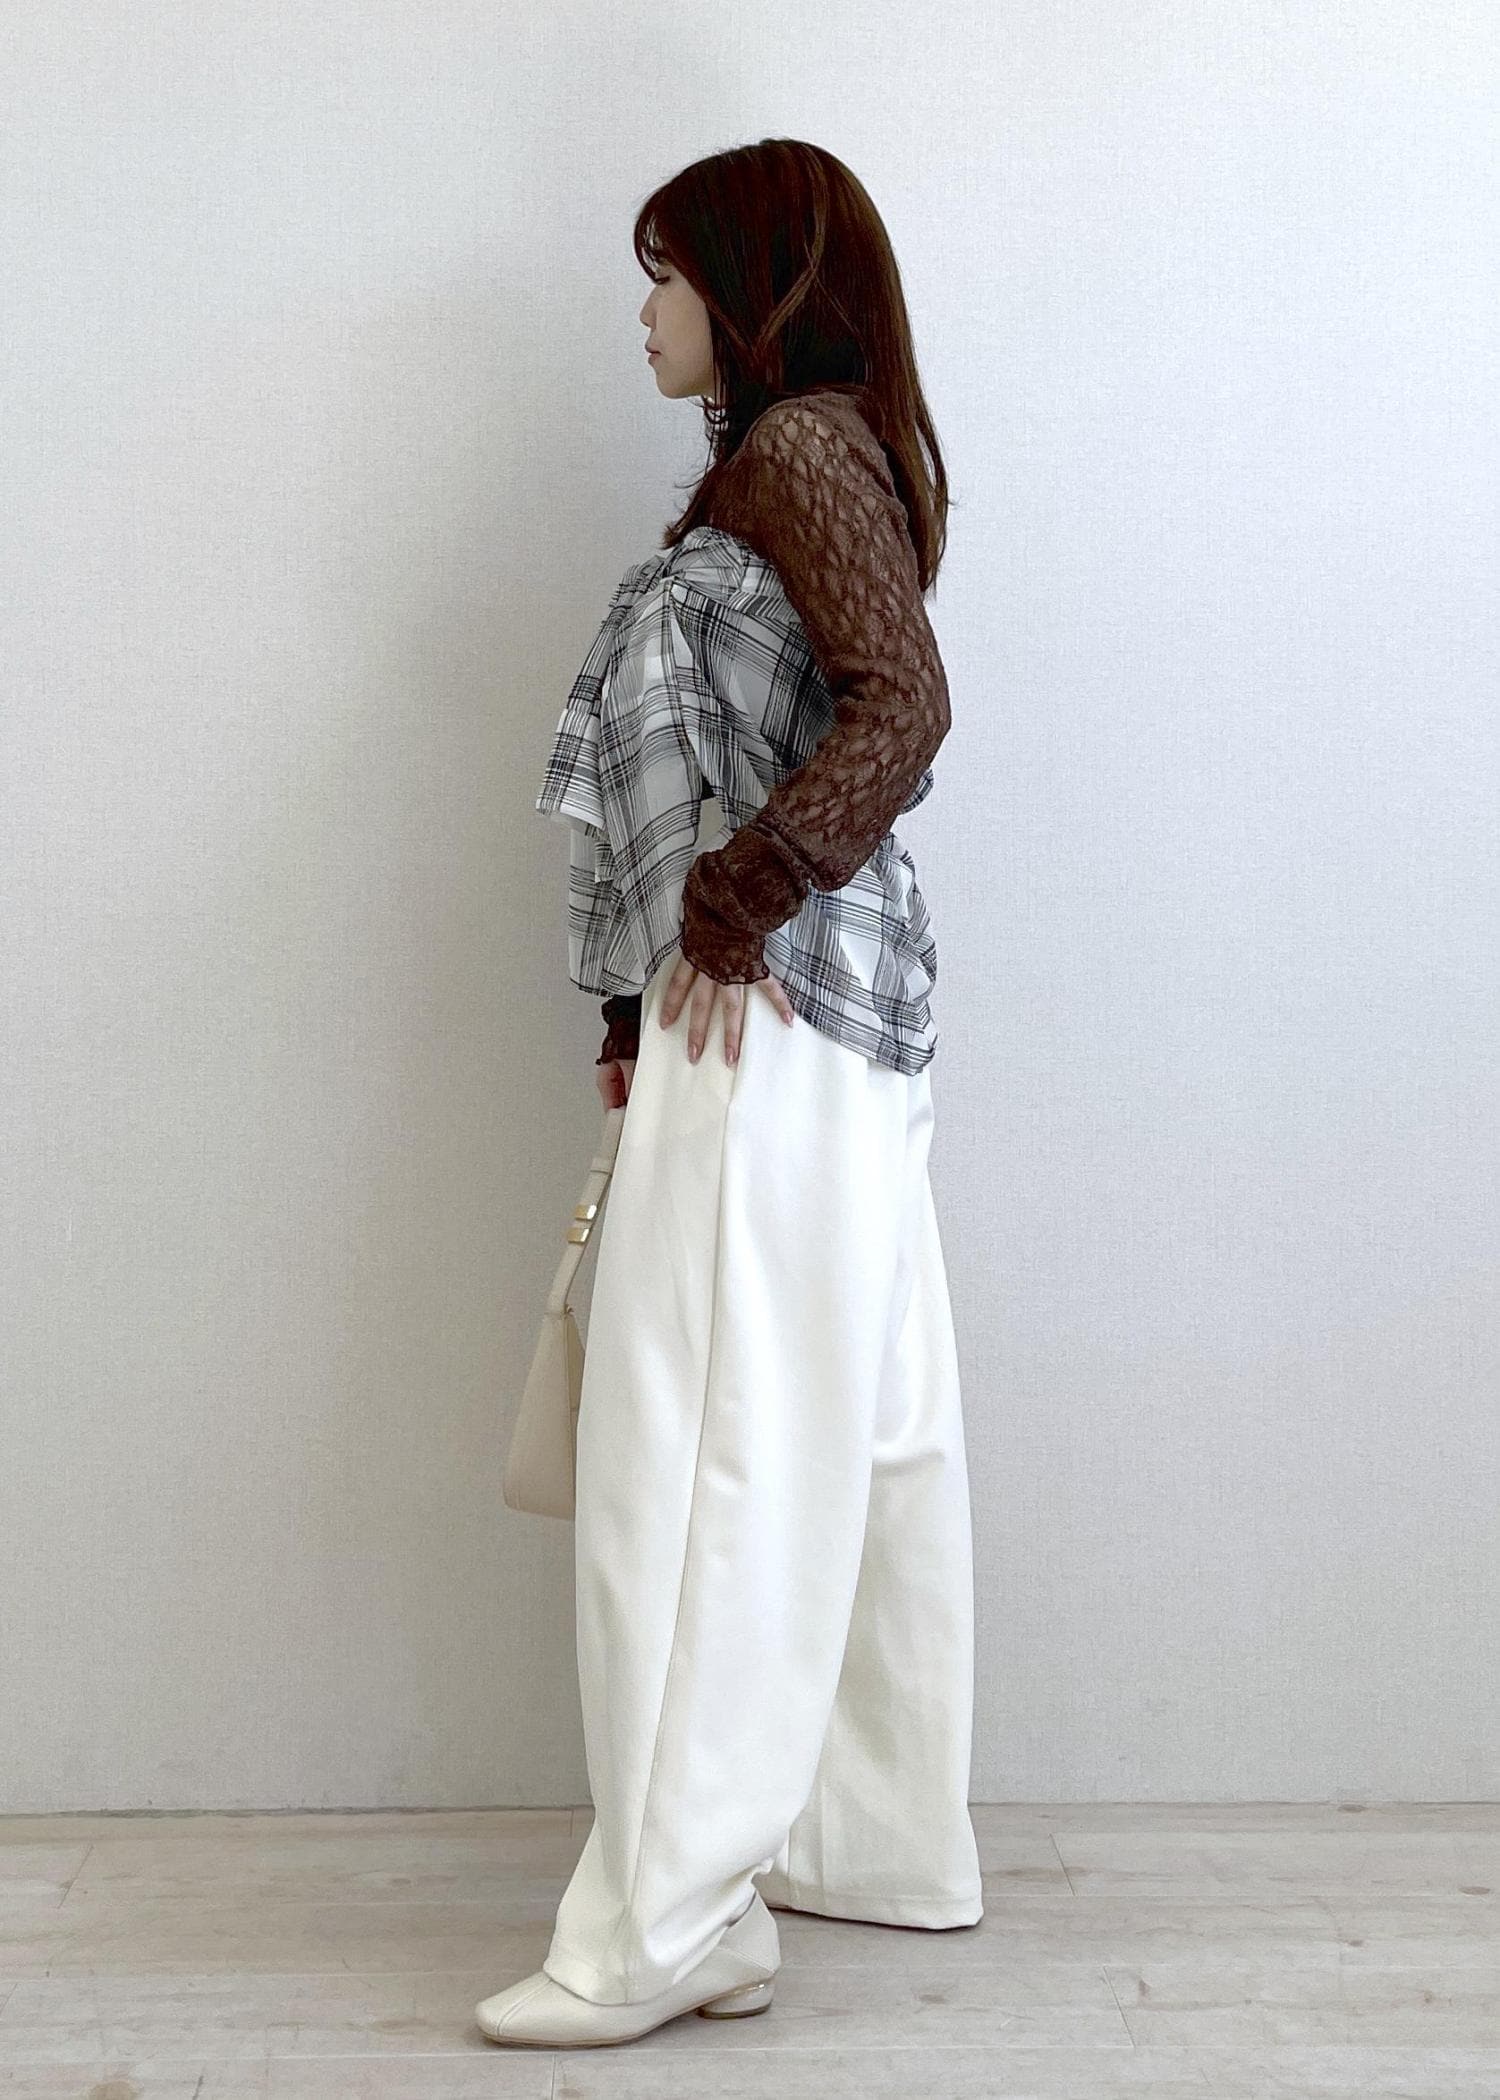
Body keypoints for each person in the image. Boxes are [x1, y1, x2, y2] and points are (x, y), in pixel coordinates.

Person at [478, 137, 983, 2051]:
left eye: (669, 271)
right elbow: (797, 724)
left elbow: (905, 707)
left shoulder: (792, 455)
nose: (644, 309)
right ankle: (858, 1844)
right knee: (854, 1427)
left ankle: (661, 1928)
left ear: (753, 288)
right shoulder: (827, 456)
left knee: (697, 1460)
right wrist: (647, 988)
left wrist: (728, 904)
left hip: (766, 1015)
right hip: (833, 1021)